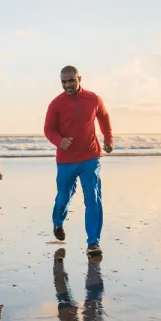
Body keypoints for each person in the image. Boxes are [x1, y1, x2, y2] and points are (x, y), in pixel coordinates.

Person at [44, 65, 113, 257]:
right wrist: (59, 141)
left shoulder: (93, 98)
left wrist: (108, 139)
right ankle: (58, 222)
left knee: (93, 197)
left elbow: (104, 116)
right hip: (66, 160)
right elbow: (48, 129)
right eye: (64, 82)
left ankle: (93, 242)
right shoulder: (56, 104)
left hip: (90, 157)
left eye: (71, 80)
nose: (68, 85)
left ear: (79, 79)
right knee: (64, 197)